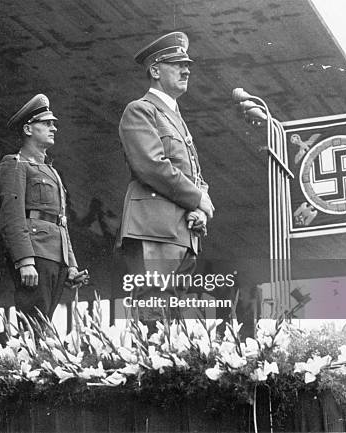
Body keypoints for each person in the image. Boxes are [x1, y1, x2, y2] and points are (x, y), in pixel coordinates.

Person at [116, 32, 214, 320]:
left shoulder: (175, 118)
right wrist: (197, 199)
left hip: (182, 231)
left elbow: (194, 172)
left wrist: (201, 207)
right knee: (154, 311)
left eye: (187, 64)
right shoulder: (140, 110)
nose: (186, 70)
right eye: (176, 64)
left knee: (172, 316)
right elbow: (152, 166)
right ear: (155, 71)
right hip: (154, 229)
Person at [0, 94, 88, 322]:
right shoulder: (15, 164)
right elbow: (12, 215)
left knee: (43, 323)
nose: (53, 128)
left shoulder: (52, 172)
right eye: (46, 124)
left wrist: (71, 266)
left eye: (54, 124)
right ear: (28, 129)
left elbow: (60, 222)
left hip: (56, 257)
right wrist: (24, 260)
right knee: (34, 325)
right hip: (35, 252)